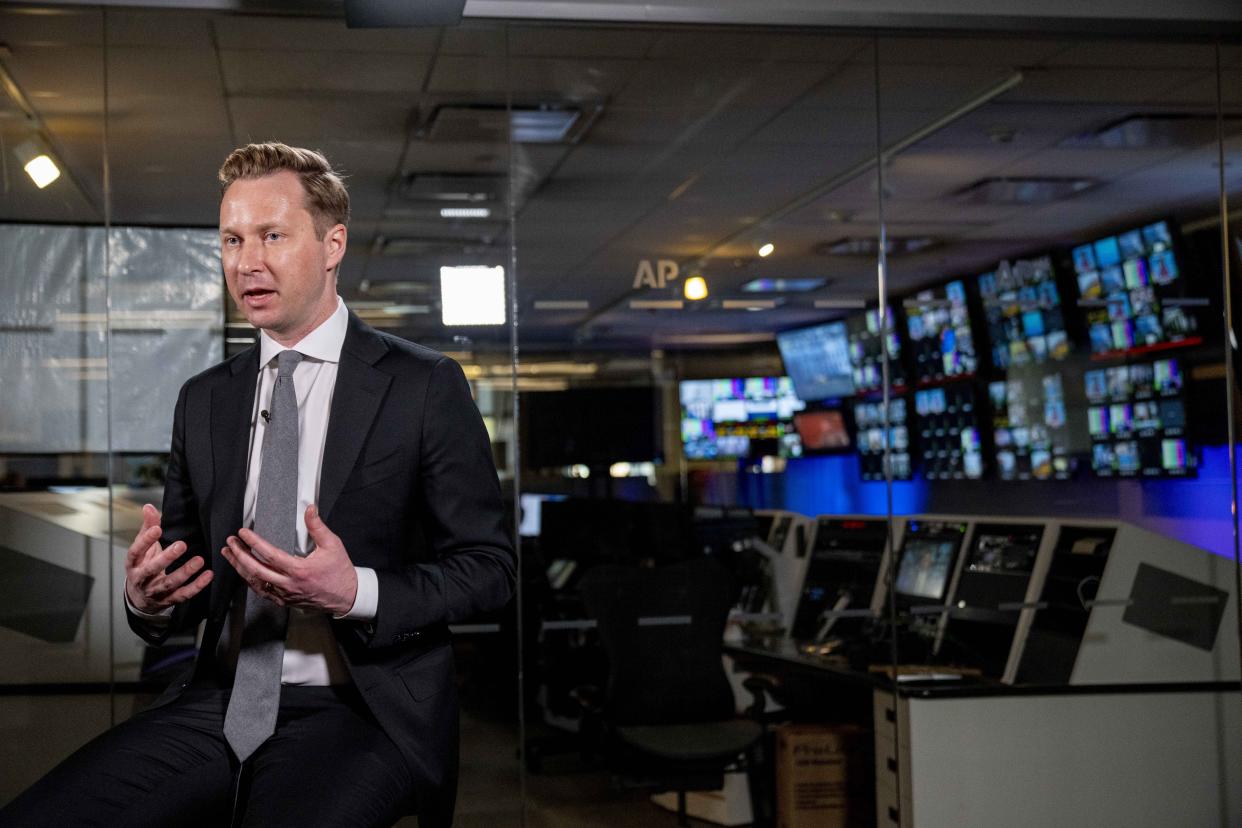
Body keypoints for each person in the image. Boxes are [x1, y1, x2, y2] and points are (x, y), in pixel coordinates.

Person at [0, 142, 515, 827]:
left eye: (273, 235)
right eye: (232, 239)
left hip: (360, 710)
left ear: (333, 245)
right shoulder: (204, 399)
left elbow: (491, 569)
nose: (247, 261)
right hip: (216, 701)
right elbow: (183, 588)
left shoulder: (423, 385)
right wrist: (147, 597)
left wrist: (353, 590)